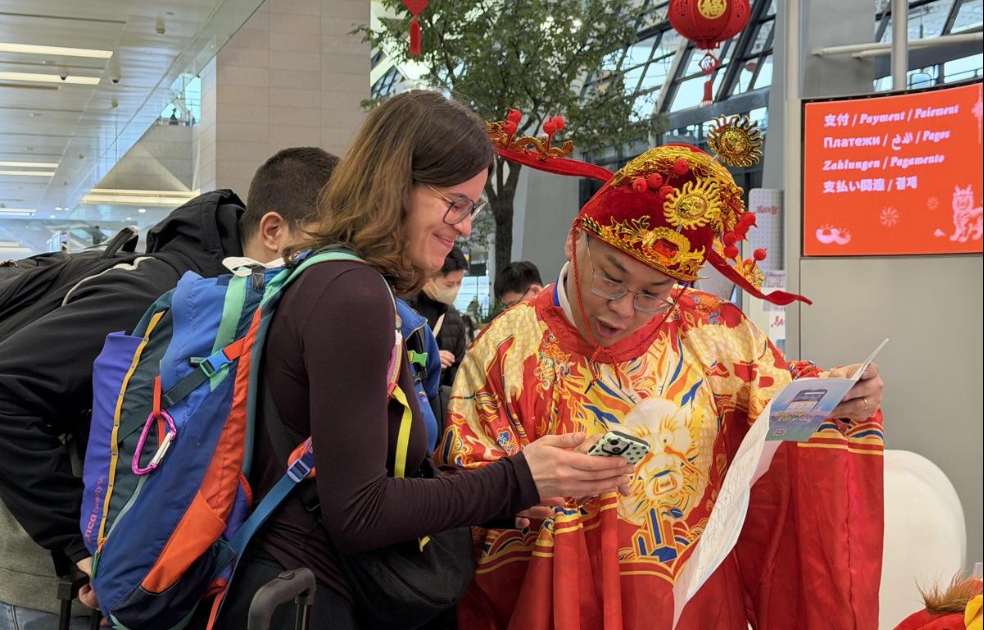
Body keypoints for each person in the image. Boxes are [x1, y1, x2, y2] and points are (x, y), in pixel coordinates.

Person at [214, 89, 635, 630]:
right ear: (397, 185)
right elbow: (360, 513)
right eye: (454, 203)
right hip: (308, 596)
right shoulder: (353, 293)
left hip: (295, 586)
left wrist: (509, 496)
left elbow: (352, 481)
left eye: (472, 208)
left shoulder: (330, 274)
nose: (464, 227)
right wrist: (518, 479)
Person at [438, 129, 886, 629]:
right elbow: (463, 487)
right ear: (574, 239)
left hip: (697, 601)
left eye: (654, 292)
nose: (625, 309)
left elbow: (779, 412)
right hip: (566, 599)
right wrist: (524, 489)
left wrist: (841, 397)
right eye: (611, 278)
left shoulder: (715, 332)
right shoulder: (503, 350)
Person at [0, 147, 340, 628]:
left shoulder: (233, 303)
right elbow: (6, 391)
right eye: (325, 247)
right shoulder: (157, 296)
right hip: (50, 590)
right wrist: (82, 546)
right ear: (272, 230)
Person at [409, 245, 469, 388]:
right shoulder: (405, 309)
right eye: (449, 284)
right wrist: (430, 358)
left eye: (459, 283)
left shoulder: (454, 319)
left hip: (437, 401)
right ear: (429, 278)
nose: (455, 289)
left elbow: (457, 370)